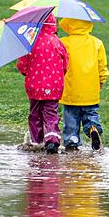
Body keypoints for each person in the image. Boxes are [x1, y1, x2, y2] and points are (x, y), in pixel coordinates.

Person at [16, 14, 69, 154]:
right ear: (53, 26)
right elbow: (65, 64)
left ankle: (37, 141)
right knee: (51, 113)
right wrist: (60, 74)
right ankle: (52, 140)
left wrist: (24, 71)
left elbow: (23, 64)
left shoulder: (30, 42)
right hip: (54, 86)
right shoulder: (58, 42)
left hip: (34, 87)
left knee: (35, 113)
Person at [58, 18, 109, 151]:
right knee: (91, 112)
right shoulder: (97, 43)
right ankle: (93, 128)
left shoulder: (64, 42)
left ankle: (71, 142)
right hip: (90, 89)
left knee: (71, 118)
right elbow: (102, 66)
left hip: (70, 90)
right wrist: (101, 81)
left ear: (68, 25)